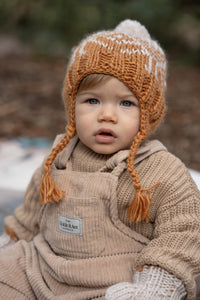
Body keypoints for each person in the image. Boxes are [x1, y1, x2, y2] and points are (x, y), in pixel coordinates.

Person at [0, 19, 200, 300]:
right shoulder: (59, 157)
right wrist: (10, 243)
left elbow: (182, 236)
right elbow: (30, 218)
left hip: (111, 285)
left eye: (126, 103)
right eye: (92, 100)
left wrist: (154, 288)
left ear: (149, 113)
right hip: (42, 270)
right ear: (73, 104)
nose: (107, 115)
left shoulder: (161, 171)